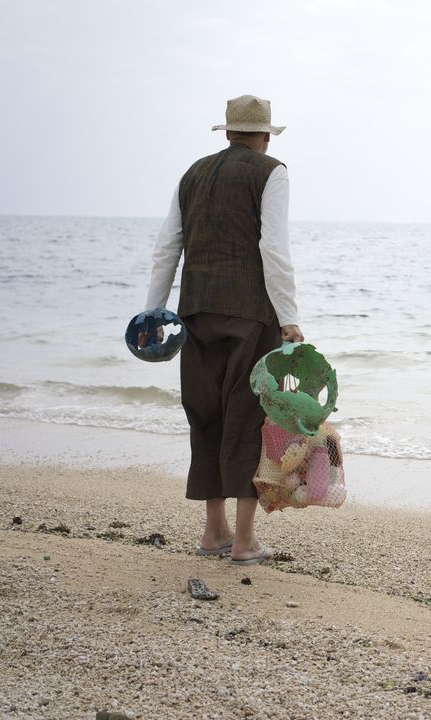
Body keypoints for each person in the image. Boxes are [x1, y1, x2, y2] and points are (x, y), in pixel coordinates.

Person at [144, 94, 304, 565]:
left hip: (193, 312)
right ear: (265, 136)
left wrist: (152, 313)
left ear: (228, 131)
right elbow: (273, 248)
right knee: (248, 419)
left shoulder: (193, 172)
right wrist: (289, 315)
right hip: (252, 313)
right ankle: (244, 542)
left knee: (206, 415)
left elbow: (166, 247)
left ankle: (215, 531)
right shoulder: (271, 171)